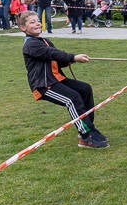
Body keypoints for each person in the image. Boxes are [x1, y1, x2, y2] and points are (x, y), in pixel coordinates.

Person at [17, 11, 109, 149]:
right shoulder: (30, 44)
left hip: (56, 79)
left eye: (37, 21)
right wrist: (73, 57)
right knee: (72, 99)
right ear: (23, 28)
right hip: (44, 85)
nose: (37, 23)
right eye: (32, 22)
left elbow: (57, 59)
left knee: (85, 89)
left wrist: (70, 61)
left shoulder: (44, 41)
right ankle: (86, 137)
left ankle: (89, 129)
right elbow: (51, 53)